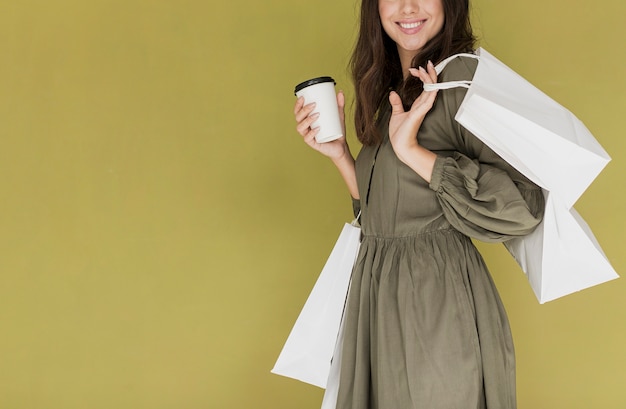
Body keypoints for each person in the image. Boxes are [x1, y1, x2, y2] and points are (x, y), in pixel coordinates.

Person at [293, 0, 544, 407]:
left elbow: (522, 208)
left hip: (433, 303)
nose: (408, 7)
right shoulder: (392, 85)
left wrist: (411, 150)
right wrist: (340, 154)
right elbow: (383, 213)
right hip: (377, 298)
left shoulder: (460, 79)